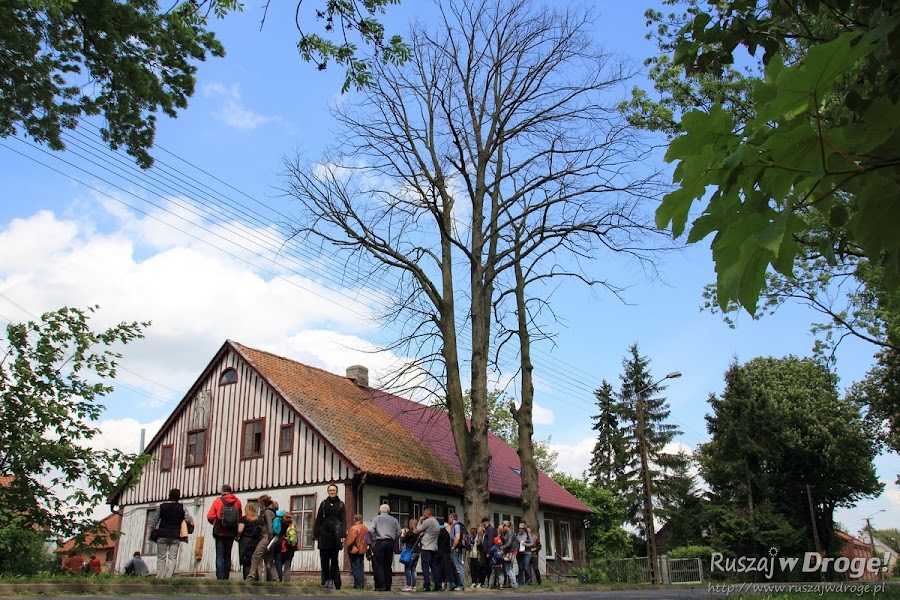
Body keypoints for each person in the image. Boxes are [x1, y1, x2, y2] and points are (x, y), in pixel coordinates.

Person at [154, 487, 194, 579]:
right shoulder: (182, 507)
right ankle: (168, 577)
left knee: (161, 557)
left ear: (169, 496)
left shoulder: (161, 506)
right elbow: (187, 519)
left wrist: (152, 530)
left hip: (162, 534)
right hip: (175, 535)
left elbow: (155, 519)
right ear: (178, 497)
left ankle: (160, 577)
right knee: (173, 557)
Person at [313, 483, 347, 590]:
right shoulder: (323, 504)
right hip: (324, 534)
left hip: (335, 535)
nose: (332, 492)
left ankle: (333, 580)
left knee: (334, 559)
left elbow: (343, 520)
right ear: (328, 492)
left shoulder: (341, 504)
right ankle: (325, 580)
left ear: (336, 492)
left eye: (334, 490)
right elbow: (318, 519)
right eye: (330, 490)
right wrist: (316, 534)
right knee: (324, 559)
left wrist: (343, 534)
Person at [206, 483, 243, 580]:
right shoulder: (237, 502)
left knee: (219, 554)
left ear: (222, 491)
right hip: (231, 532)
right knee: (228, 554)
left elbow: (210, 516)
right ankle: (226, 576)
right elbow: (239, 517)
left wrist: (216, 522)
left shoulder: (218, 501)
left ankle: (220, 577)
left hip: (220, 531)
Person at [370, 503, 402, 591]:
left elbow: (371, 530)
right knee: (388, 564)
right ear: (389, 511)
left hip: (380, 541)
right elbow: (399, 532)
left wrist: (374, 538)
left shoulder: (376, 518)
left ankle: (381, 585)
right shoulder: (394, 520)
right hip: (390, 542)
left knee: (379, 564)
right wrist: (394, 538)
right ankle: (388, 585)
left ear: (380, 510)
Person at [248, 494, 277, 581]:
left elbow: (269, 526)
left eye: (259, 503)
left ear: (263, 503)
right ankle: (276, 579)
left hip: (267, 537)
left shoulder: (267, 512)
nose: (259, 505)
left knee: (255, 556)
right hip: (269, 538)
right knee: (269, 561)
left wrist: (270, 539)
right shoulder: (272, 511)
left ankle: (251, 577)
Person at [415, 507, 441, 592]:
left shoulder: (428, 521)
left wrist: (419, 521)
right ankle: (438, 585)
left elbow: (418, 530)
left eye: (424, 513)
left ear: (427, 513)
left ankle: (427, 585)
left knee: (425, 567)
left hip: (426, 547)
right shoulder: (436, 522)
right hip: (434, 546)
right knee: (434, 567)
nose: (423, 515)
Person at [237, 502, 264, 580]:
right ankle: (256, 579)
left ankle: (247, 579)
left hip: (245, 542)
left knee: (246, 562)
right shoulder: (259, 519)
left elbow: (240, 530)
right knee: (255, 561)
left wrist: (237, 537)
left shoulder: (244, 519)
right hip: (256, 542)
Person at [345, 513, 369, 589]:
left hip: (354, 550)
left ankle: (357, 584)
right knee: (361, 567)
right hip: (362, 550)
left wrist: (348, 547)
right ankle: (361, 584)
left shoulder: (354, 528)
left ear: (354, 519)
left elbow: (350, 541)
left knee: (355, 568)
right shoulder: (365, 528)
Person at [400, 518, 421, 592]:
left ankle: (408, 585)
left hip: (410, 552)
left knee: (407, 569)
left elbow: (403, 540)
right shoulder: (418, 533)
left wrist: (403, 534)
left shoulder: (409, 533)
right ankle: (414, 586)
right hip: (417, 552)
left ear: (410, 524)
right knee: (414, 569)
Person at [448, 513, 466, 590]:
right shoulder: (455, 526)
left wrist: (453, 547)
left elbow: (457, 537)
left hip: (456, 549)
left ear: (452, 518)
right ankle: (457, 584)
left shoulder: (457, 526)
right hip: (455, 549)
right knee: (456, 567)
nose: (449, 519)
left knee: (459, 567)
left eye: (449, 518)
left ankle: (461, 585)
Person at [279, 514, 298, 581]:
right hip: (291, 548)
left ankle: (279, 580)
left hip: (284, 548)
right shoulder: (293, 527)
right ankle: (287, 581)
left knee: (279, 564)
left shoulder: (284, 526)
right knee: (287, 566)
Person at [436, 517, 453, 590]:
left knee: (440, 568)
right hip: (447, 552)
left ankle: (442, 584)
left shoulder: (437, 532)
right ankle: (448, 584)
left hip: (439, 552)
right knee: (447, 568)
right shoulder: (447, 532)